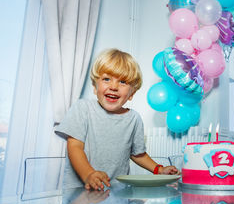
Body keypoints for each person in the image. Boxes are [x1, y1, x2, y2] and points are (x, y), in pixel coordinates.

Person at [56, 48, 179, 190]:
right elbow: (74, 146)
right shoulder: (82, 109)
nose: (113, 87)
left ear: (132, 93)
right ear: (95, 87)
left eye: (123, 82)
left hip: (116, 197)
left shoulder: (134, 119)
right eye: (106, 79)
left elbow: (138, 154)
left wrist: (159, 170)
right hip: (80, 196)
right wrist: (89, 175)